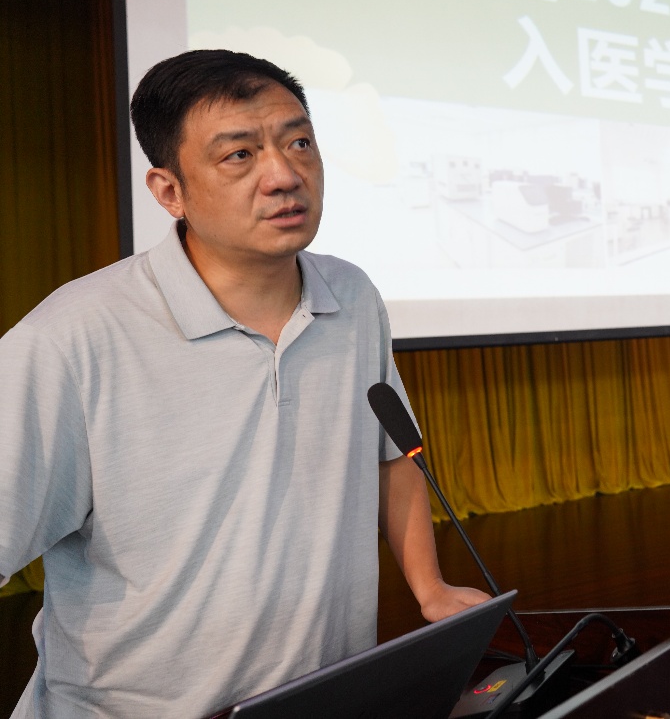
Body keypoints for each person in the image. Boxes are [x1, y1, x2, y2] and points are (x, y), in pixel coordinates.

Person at [0, 50, 490, 717]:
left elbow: (392, 455)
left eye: (299, 143)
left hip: (322, 696)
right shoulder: (73, 337)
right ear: (168, 191)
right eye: (239, 155)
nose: (284, 175)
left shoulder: (351, 297)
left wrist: (429, 588)